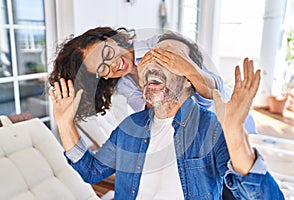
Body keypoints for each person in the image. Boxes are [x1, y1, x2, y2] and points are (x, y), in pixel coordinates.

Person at [49, 38, 284, 199]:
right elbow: (91, 172)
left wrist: (234, 132)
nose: (152, 66)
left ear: (187, 78)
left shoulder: (210, 129)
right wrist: (64, 122)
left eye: (166, 61)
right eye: (149, 62)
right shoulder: (130, 127)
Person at [48, 27, 256, 144]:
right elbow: (157, 118)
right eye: (102, 69)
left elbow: (213, 90)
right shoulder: (123, 85)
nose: (113, 65)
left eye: (107, 53)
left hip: (234, 121)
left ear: (110, 39)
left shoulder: (159, 45)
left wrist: (189, 69)